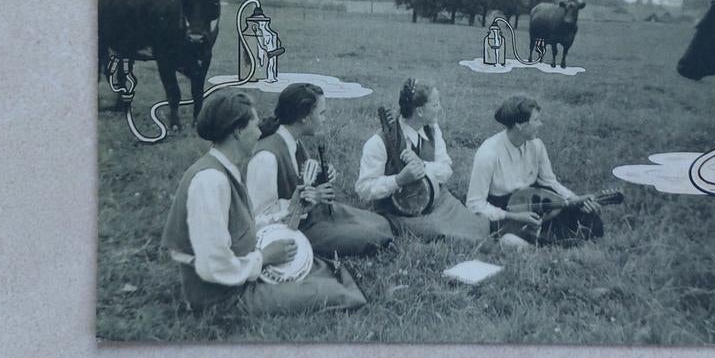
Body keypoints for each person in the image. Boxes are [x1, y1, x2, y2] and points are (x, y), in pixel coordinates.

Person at [161, 90, 365, 313]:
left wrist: (291, 208)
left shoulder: (225, 168)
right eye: (255, 126)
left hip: (237, 274)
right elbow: (213, 266)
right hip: (220, 296)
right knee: (332, 293)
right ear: (238, 131)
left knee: (319, 269)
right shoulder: (211, 181)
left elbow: (242, 227)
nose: (260, 132)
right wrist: (264, 258)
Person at [247, 84, 393, 258]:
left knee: (380, 224)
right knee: (374, 237)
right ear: (304, 117)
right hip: (291, 230)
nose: (324, 119)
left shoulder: (294, 141)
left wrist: (319, 176)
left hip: (312, 216)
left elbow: (299, 179)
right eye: (321, 113)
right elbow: (257, 221)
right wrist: (311, 198)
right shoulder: (266, 157)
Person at [356, 79, 489, 243]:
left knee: (479, 227)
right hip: (396, 210)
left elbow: (446, 170)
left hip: (435, 198)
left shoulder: (432, 129)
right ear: (419, 111)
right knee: (437, 229)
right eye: (435, 105)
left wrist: (422, 165)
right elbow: (363, 189)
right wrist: (398, 180)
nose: (439, 108)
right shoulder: (378, 142)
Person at [466, 95, 603, 248]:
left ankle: (538, 240)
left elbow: (550, 182)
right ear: (519, 124)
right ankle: (530, 243)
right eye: (536, 120)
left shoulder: (536, 145)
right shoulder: (488, 153)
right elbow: (474, 203)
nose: (540, 124)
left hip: (534, 203)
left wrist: (576, 199)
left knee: (587, 215)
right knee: (511, 240)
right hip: (503, 211)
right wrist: (514, 216)